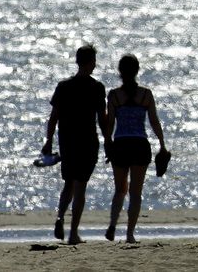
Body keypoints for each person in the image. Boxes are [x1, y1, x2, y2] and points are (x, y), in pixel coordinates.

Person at [42, 44, 108, 245]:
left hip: (67, 142)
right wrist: (110, 142)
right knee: (80, 187)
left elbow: (54, 118)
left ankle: (60, 217)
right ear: (91, 63)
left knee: (69, 183)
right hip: (87, 141)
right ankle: (73, 233)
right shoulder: (97, 88)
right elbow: (102, 120)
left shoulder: (64, 86)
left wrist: (48, 141)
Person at [104, 53, 167, 243]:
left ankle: (113, 225)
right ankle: (130, 234)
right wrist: (162, 144)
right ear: (137, 70)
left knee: (119, 189)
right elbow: (154, 121)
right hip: (140, 144)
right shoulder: (145, 94)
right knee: (135, 193)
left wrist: (108, 144)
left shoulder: (114, 95)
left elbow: (110, 124)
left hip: (121, 144)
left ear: (120, 72)